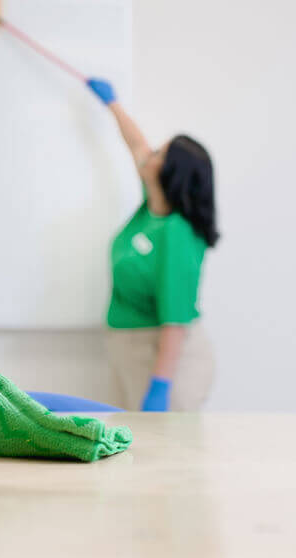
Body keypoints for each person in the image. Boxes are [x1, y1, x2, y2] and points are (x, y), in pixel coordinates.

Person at [86, 78, 219, 411]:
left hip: (168, 363)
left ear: (169, 172)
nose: (149, 152)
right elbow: (136, 144)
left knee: (163, 445)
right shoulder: (153, 206)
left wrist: (160, 386)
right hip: (129, 352)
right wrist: (112, 103)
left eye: (159, 152)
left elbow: (175, 322)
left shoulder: (177, 233)